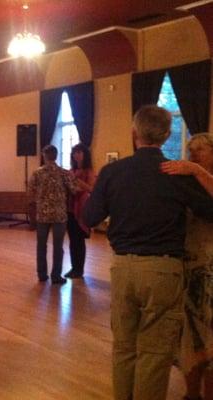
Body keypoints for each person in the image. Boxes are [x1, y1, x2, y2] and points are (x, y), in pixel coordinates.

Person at [83, 105, 213, 400]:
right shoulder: (176, 174)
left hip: (123, 268)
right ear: (167, 135)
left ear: (134, 133)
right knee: (155, 353)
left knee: (124, 347)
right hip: (164, 270)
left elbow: (90, 217)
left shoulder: (113, 171)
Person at [161, 133, 213, 400]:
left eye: (199, 151)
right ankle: (191, 394)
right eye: (191, 151)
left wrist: (196, 170)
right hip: (189, 263)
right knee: (190, 334)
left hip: (210, 264)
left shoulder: (200, 177)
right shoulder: (187, 183)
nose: (193, 155)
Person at [28, 145, 76, 285]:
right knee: (58, 246)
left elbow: (30, 194)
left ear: (44, 155)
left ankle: (42, 274)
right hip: (59, 215)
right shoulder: (63, 173)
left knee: (41, 246)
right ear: (56, 155)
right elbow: (73, 190)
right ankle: (56, 275)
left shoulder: (37, 173)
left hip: (42, 215)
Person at [64, 143, 96, 279]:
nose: (76, 155)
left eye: (79, 152)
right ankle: (74, 267)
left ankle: (79, 269)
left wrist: (77, 181)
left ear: (85, 154)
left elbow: (92, 189)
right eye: (74, 153)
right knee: (72, 240)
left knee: (79, 241)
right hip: (70, 208)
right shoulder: (71, 171)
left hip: (82, 209)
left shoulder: (89, 171)